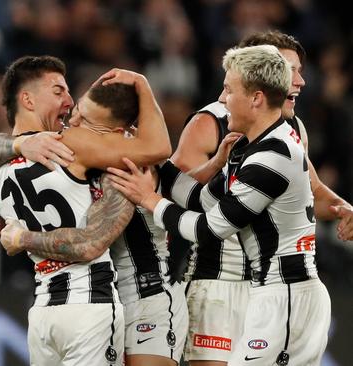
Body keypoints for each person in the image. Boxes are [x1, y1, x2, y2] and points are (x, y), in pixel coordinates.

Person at [109, 45, 330, 365]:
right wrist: (158, 165)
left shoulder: (272, 157)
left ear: (255, 98)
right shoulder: (248, 147)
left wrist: (150, 200)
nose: (223, 99)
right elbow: (201, 199)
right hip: (275, 293)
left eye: (229, 89)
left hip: (288, 296)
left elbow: (210, 227)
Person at [169, 30, 351, 366]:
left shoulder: (290, 130)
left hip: (268, 286)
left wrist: (345, 209)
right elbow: (173, 188)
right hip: (219, 282)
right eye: (287, 68)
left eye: (298, 70)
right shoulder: (209, 122)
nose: (298, 80)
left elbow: (311, 196)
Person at [0, 55, 171, 365]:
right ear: (27, 99)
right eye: (58, 91)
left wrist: (16, 145)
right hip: (90, 304)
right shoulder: (72, 143)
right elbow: (159, 147)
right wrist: (143, 84)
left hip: (42, 310)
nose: (69, 101)